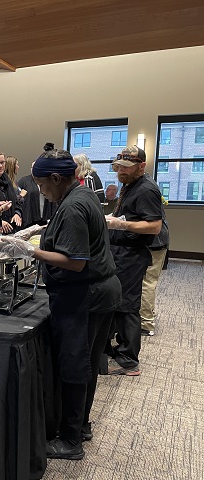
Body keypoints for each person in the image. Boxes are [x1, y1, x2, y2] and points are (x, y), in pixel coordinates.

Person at [0, 147, 121, 461]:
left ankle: (70, 441)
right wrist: (42, 232)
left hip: (86, 295)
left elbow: (75, 262)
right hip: (102, 292)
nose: (41, 191)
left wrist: (29, 251)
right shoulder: (82, 195)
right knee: (89, 363)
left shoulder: (71, 207)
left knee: (74, 366)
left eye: (42, 185)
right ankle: (80, 426)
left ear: (56, 178)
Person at [105, 145, 163, 375]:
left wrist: (121, 224)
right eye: (119, 167)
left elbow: (154, 226)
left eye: (127, 168)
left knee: (127, 306)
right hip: (119, 251)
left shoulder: (147, 189)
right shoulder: (129, 184)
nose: (122, 171)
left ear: (141, 166)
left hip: (132, 254)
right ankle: (115, 350)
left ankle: (128, 360)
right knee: (116, 302)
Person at [140, 188, 169, 336]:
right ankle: (148, 314)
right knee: (150, 281)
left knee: (147, 282)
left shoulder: (146, 190)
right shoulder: (150, 188)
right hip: (158, 242)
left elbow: (151, 225)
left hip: (154, 243)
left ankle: (146, 322)